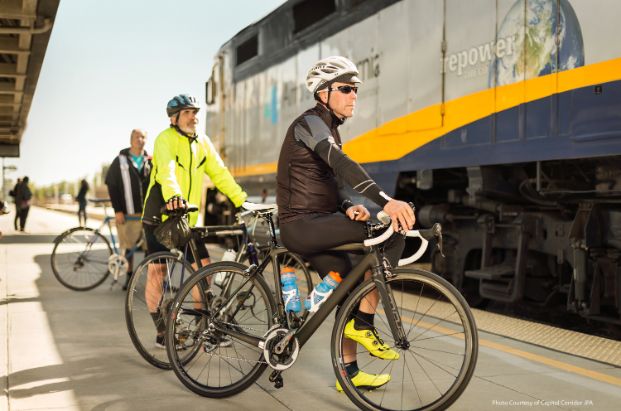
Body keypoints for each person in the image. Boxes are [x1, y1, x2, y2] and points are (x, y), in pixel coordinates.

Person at [276, 56, 415, 391]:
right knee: (391, 231)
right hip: (302, 224)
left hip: (318, 220)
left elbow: (325, 182)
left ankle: (347, 373)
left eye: (356, 90)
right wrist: (387, 202)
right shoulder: (309, 125)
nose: (354, 95)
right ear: (324, 93)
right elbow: (340, 164)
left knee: (350, 286)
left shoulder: (328, 129)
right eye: (346, 89)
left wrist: (349, 204)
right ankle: (364, 324)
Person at [142, 94, 248, 348]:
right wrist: (175, 196)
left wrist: (241, 199)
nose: (194, 117)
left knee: (204, 271)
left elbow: (220, 173)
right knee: (157, 271)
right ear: (174, 117)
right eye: (188, 112)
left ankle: (205, 330)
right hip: (161, 214)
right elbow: (166, 172)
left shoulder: (203, 142)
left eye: (195, 112)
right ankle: (161, 332)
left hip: (187, 218)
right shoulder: (164, 139)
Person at [105, 129, 152, 290]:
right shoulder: (120, 161)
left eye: (143, 137)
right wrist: (118, 210)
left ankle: (150, 280)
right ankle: (129, 278)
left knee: (150, 247)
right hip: (128, 213)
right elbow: (112, 185)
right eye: (137, 137)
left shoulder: (150, 160)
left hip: (147, 213)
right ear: (131, 140)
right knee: (129, 247)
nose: (140, 140)